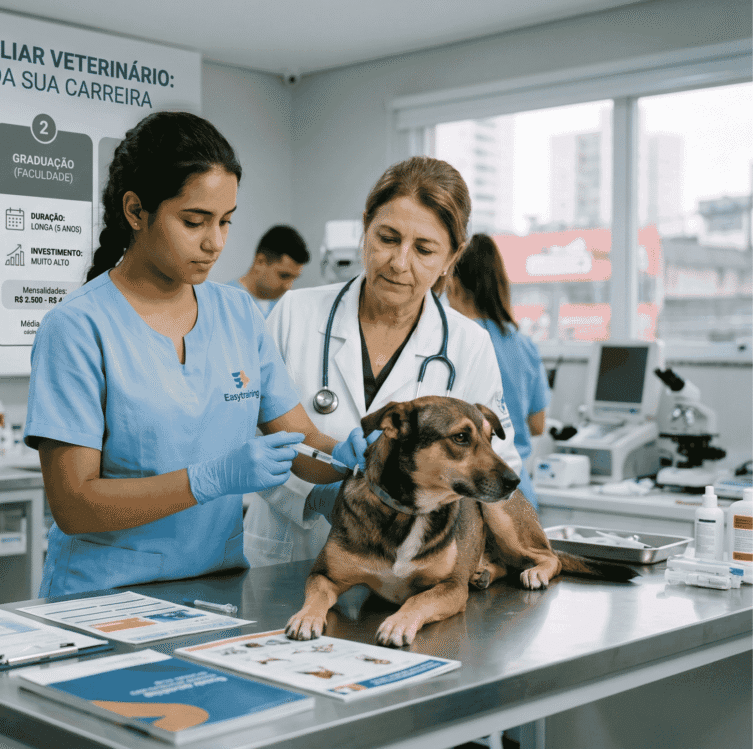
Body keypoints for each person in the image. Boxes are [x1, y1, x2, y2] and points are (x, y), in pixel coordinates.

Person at [23, 111, 368, 597]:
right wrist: (207, 479)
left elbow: (301, 444)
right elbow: (74, 505)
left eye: (225, 221)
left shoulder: (238, 314)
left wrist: (354, 456)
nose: (215, 243)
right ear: (135, 211)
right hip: (103, 598)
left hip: (214, 590)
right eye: (194, 221)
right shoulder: (77, 327)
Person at [244, 156, 522, 568]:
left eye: (424, 249)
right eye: (388, 238)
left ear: (452, 257)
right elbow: (249, 437)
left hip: (406, 570)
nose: (399, 262)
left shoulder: (469, 345)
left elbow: (498, 468)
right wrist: (315, 495)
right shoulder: (294, 314)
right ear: (366, 228)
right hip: (288, 558)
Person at [445, 233, 549, 509]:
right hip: (518, 491)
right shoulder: (523, 344)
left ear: (452, 284)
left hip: (471, 492)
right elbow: (537, 425)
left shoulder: (449, 341)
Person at [228, 224, 309, 316]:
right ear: (260, 262)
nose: (288, 287)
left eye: (294, 278)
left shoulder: (281, 308)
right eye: (284, 276)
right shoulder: (225, 302)